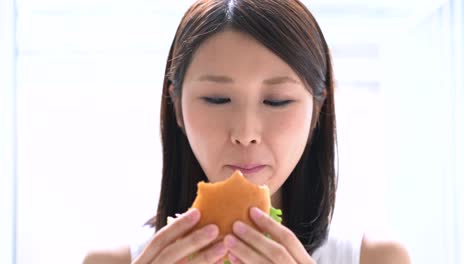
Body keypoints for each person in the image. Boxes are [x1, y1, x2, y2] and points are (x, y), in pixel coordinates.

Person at [84, 0, 411, 263]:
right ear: (176, 106)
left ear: (317, 110)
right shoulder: (111, 261)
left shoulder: (376, 258)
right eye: (216, 99)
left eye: (277, 101)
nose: (245, 132)